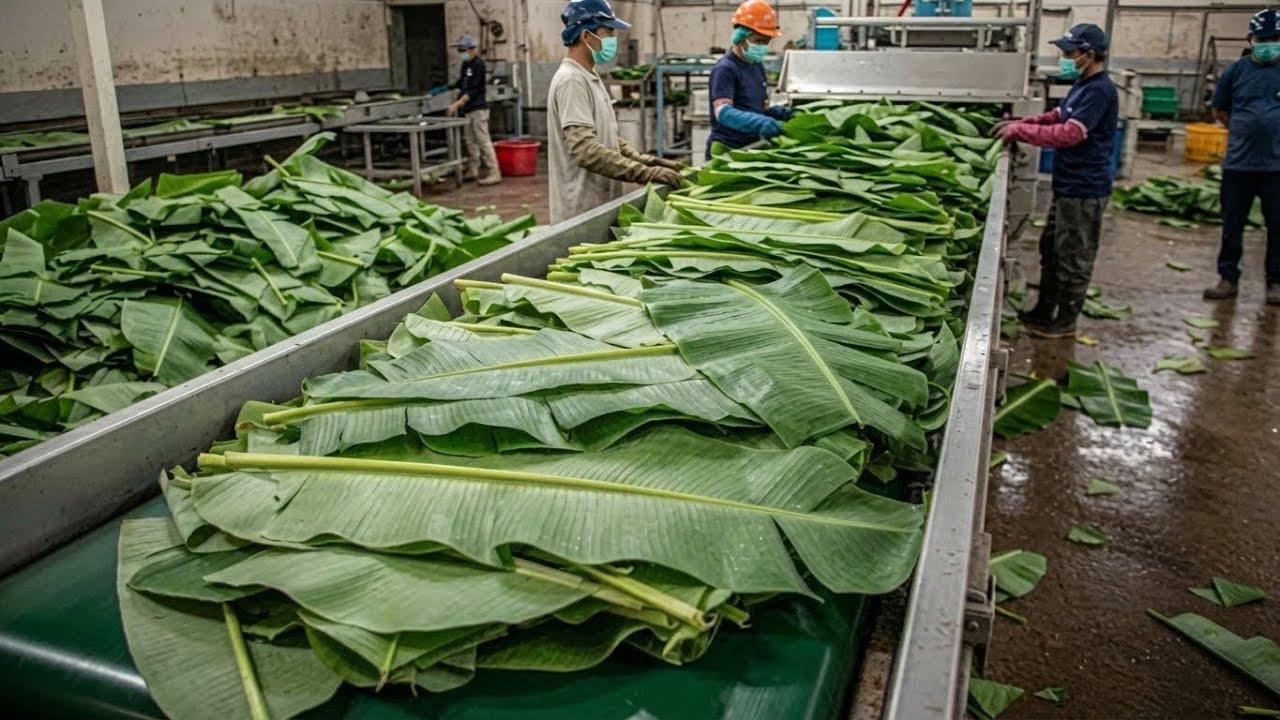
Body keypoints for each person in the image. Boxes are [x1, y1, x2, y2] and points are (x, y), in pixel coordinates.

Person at [994, 23, 1119, 339]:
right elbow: (1059, 116)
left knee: (1073, 257)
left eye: (1069, 52)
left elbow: (1070, 133)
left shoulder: (1100, 90)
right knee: (1052, 249)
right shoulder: (1083, 84)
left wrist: (1021, 132)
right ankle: (1043, 311)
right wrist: (1026, 120)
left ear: (1088, 55)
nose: (1064, 57)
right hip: (1068, 185)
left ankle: (1064, 321)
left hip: (1084, 188)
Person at [546, 0, 685, 224]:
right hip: (580, 211)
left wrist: (647, 161)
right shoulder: (572, 81)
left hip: (599, 203)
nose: (613, 38)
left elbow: (606, 136)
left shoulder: (589, 76)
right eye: (608, 31)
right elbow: (585, 150)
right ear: (585, 36)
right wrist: (642, 173)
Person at [1203, 8, 1280, 306]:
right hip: (1239, 165)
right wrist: (1244, 130)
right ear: (1251, 38)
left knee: (1277, 225)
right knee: (1232, 223)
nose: (1269, 43)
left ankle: (1275, 281)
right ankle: (1228, 277)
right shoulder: (1236, 71)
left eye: (1275, 38)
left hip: (1276, 167)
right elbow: (1220, 109)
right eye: (1264, 38)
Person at [706, 0, 793, 159]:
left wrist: (781, 114)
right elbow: (723, 113)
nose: (763, 47)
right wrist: (760, 123)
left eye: (766, 42)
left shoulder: (756, 66)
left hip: (751, 147)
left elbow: (757, 107)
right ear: (740, 37)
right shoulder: (725, 69)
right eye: (758, 41)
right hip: (727, 150)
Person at [447, 35, 502, 186]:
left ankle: (494, 171)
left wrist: (456, 104)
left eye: (463, 50)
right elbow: (462, 83)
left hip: (478, 109)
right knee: (470, 140)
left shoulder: (478, 65)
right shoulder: (466, 65)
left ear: (472, 50)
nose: (461, 53)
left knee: (483, 140)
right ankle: (473, 169)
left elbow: (474, 90)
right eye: (459, 50)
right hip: (468, 109)